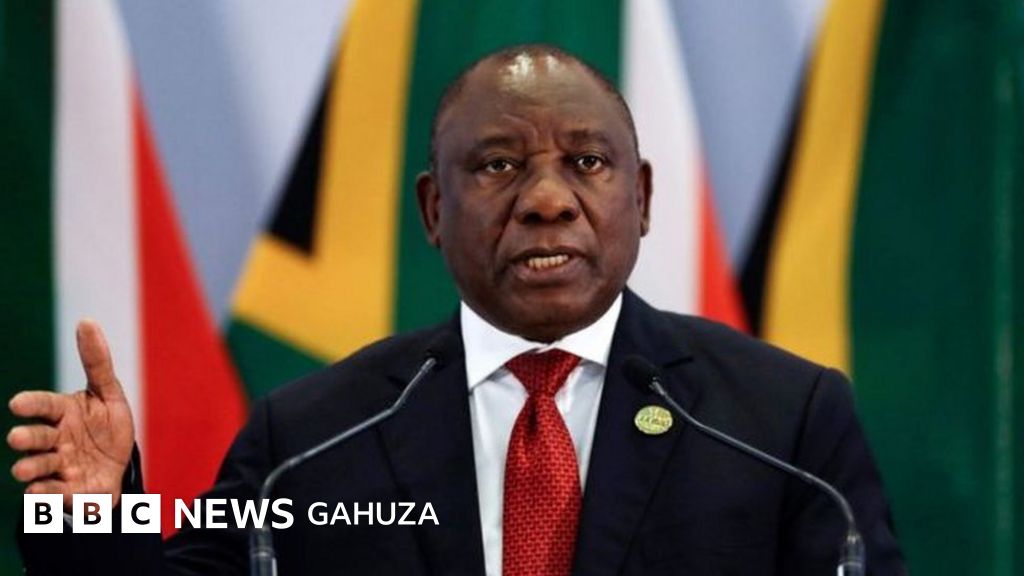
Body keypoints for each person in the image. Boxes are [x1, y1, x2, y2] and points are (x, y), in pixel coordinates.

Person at [9, 44, 905, 575]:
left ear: (642, 197)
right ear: (435, 209)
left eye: (588, 163)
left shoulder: (783, 423)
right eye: (499, 165)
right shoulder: (311, 439)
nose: (547, 200)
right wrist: (89, 513)